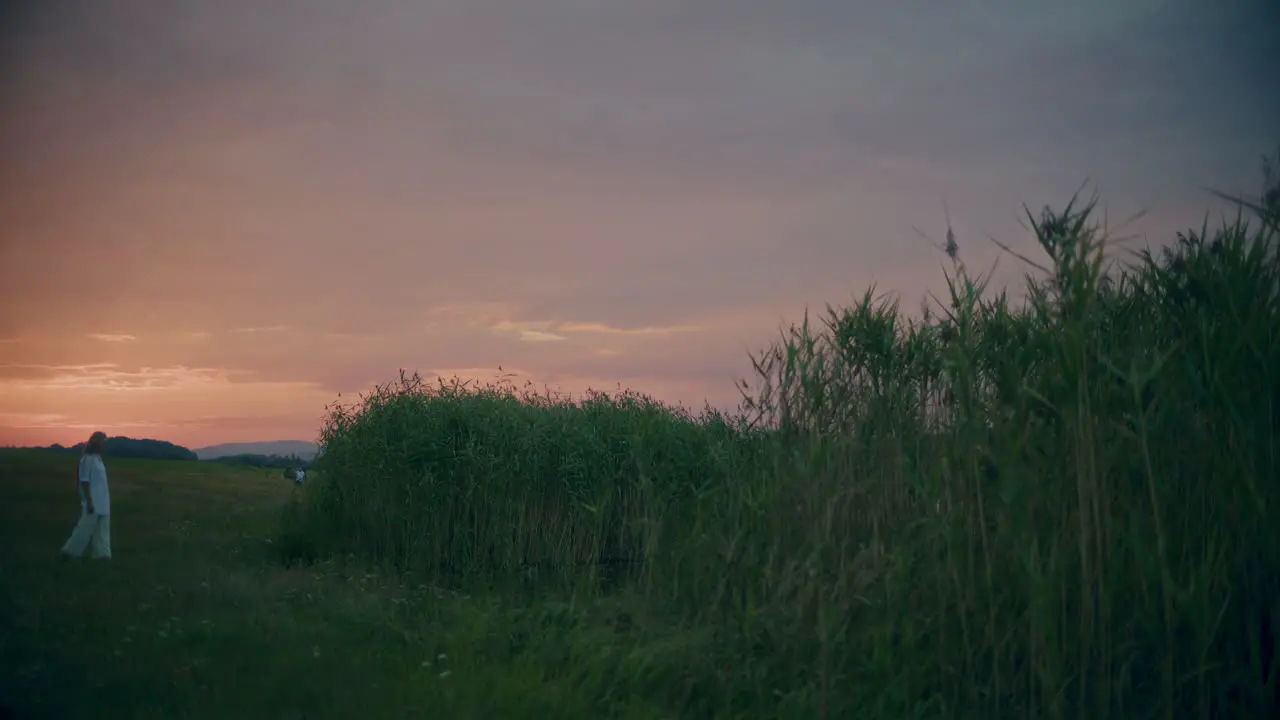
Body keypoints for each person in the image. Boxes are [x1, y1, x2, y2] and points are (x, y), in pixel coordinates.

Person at [61, 431, 112, 560]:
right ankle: (70, 552)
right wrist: (89, 501)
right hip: (93, 501)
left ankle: (102, 555)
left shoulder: (98, 459)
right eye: (102, 442)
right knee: (84, 527)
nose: (104, 445)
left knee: (102, 529)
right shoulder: (87, 459)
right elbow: (84, 481)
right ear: (96, 443)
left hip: (103, 501)